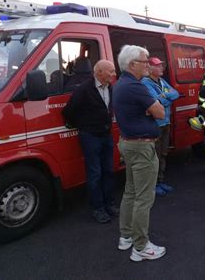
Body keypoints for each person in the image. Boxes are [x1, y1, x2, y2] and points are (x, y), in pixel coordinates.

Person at [113, 45, 166, 262]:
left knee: (131, 193)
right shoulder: (136, 86)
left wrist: (150, 108)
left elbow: (153, 109)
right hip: (142, 147)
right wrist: (152, 108)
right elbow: (161, 111)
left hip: (128, 142)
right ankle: (141, 246)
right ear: (133, 63)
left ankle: (126, 236)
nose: (148, 64)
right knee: (144, 197)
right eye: (145, 61)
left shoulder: (121, 84)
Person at [62, 60, 118, 223]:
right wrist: (83, 126)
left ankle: (110, 204)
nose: (114, 74)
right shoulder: (84, 90)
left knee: (108, 170)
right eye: (111, 71)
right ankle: (98, 208)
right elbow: (68, 112)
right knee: (95, 174)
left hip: (106, 136)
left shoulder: (110, 87)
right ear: (99, 72)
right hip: (91, 137)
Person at [142, 57, 180, 196]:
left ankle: (160, 181)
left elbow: (175, 93)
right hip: (155, 124)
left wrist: (164, 96)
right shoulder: (145, 83)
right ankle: (153, 185)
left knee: (163, 153)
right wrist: (165, 97)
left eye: (161, 65)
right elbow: (155, 100)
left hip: (165, 122)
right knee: (155, 156)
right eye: (158, 66)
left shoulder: (161, 81)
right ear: (150, 68)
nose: (161, 68)